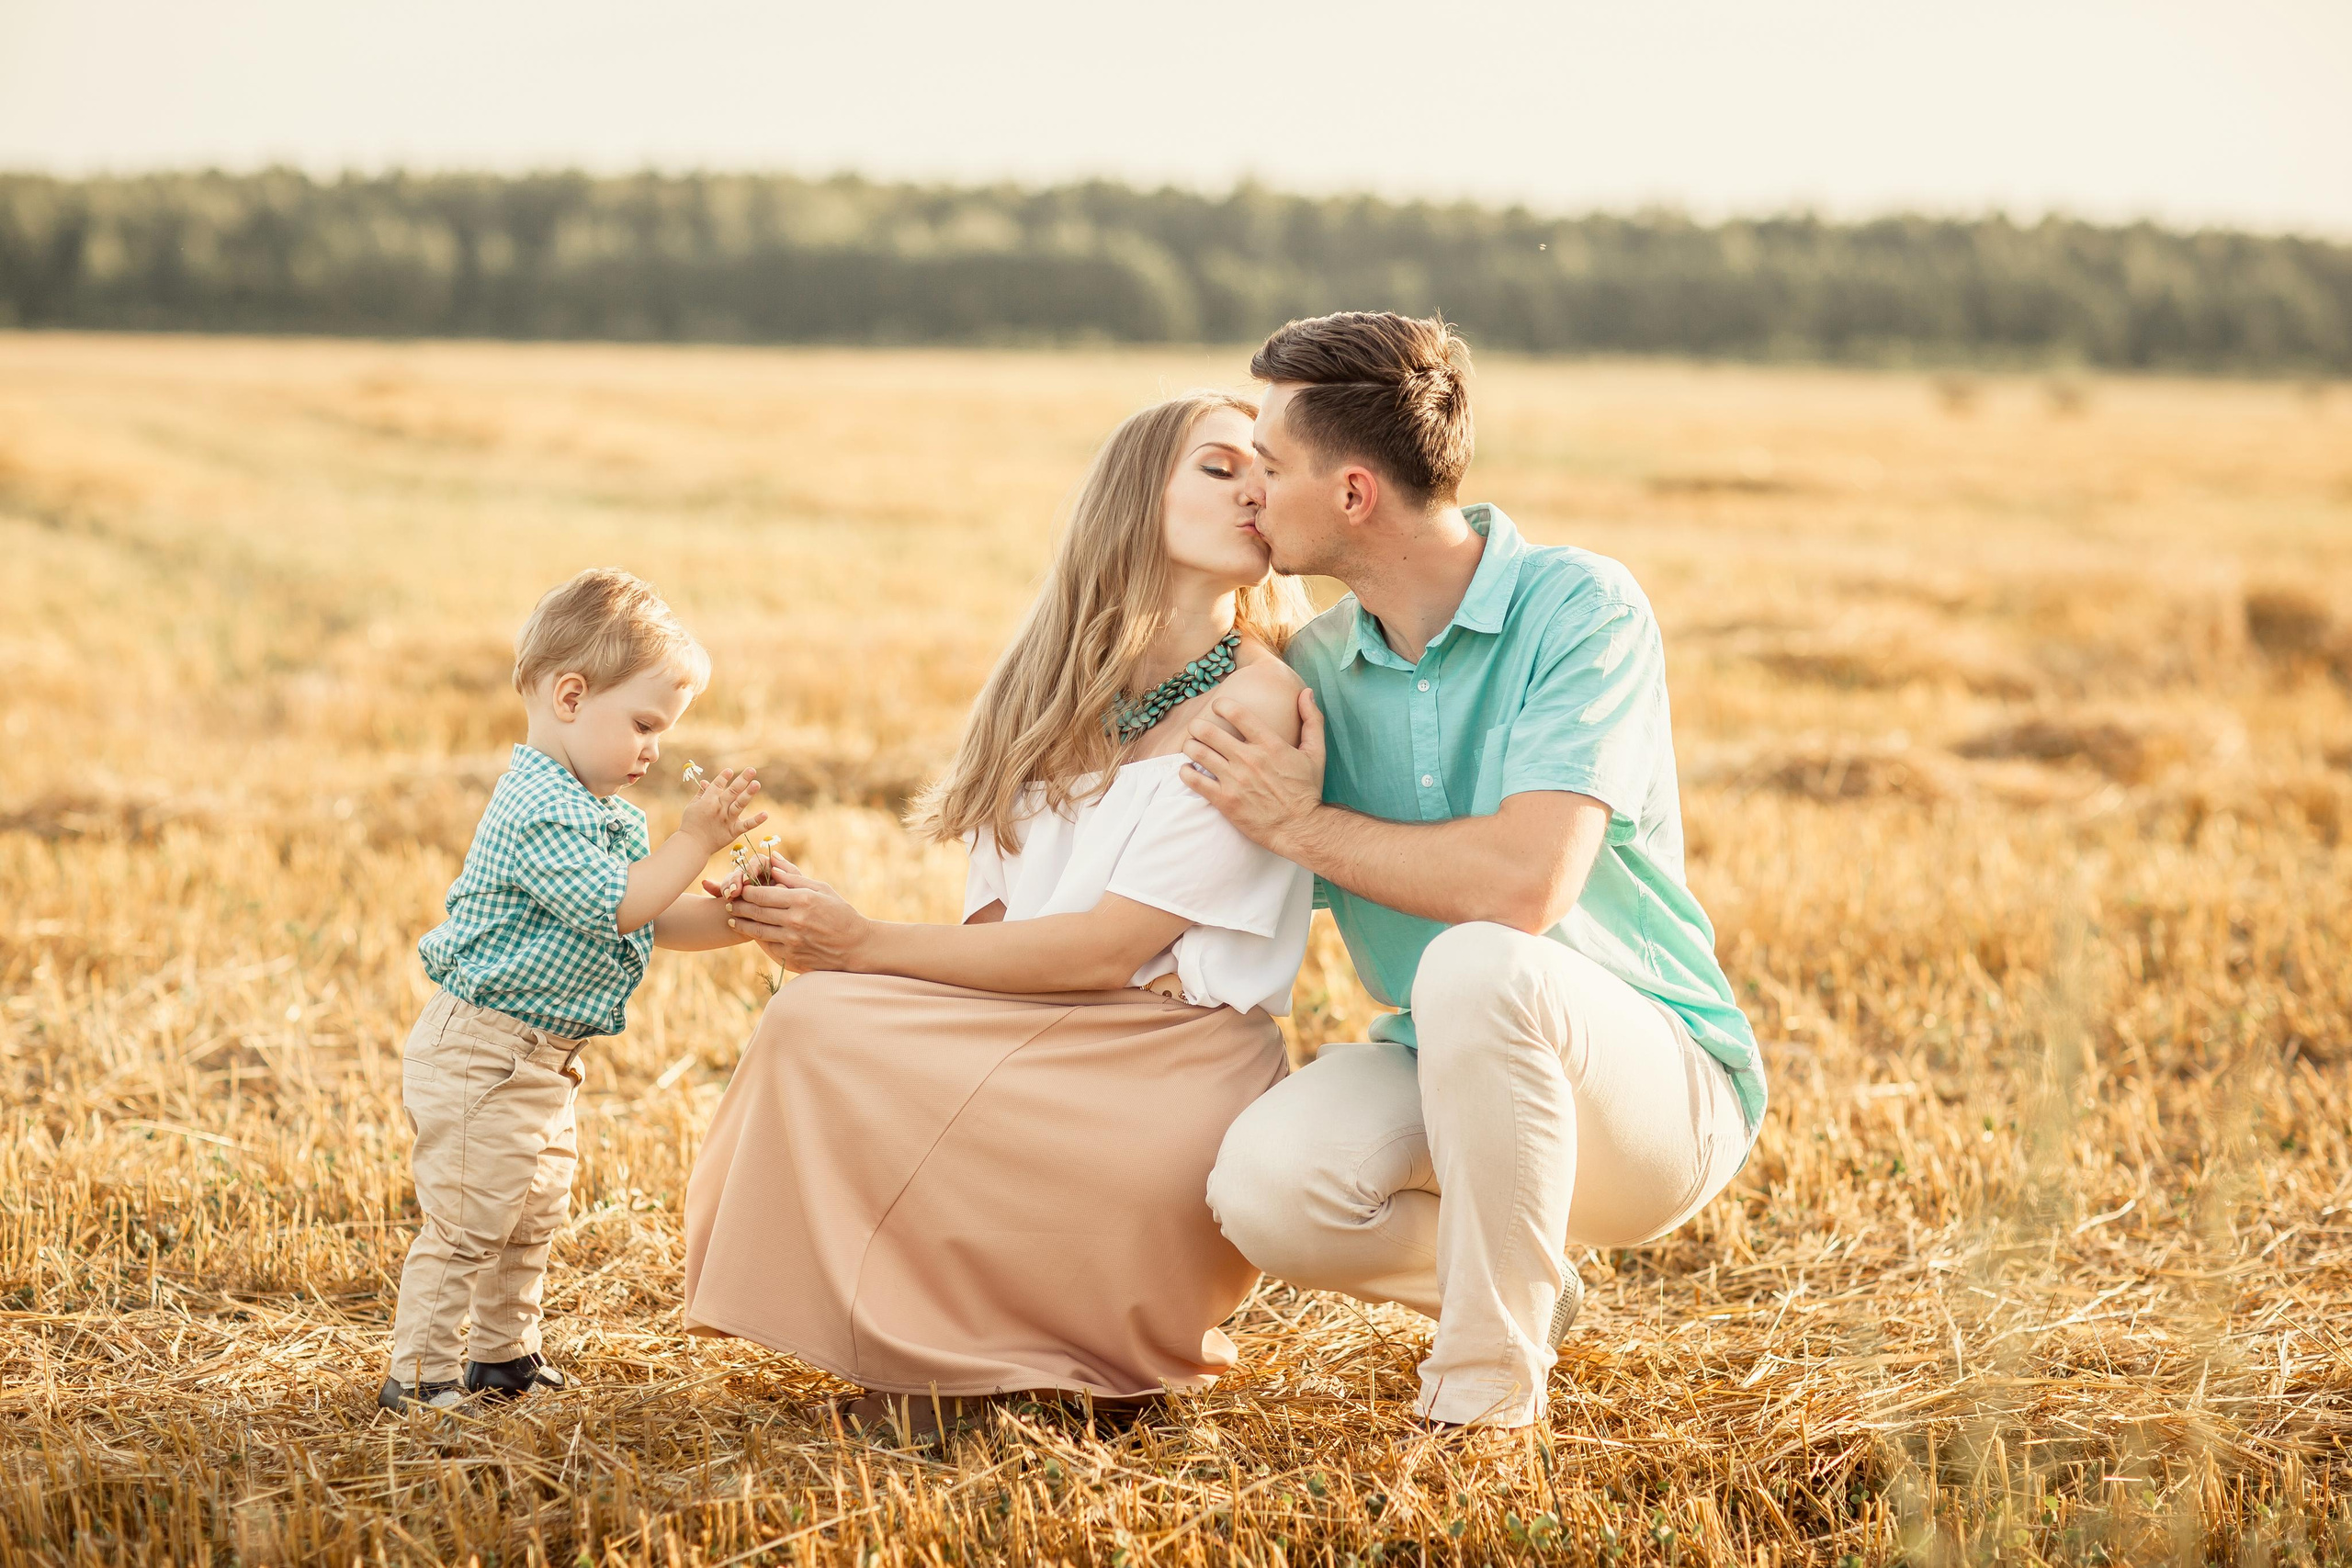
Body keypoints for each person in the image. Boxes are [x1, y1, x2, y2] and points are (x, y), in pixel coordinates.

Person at [685, 392, 1317, 1433]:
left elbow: (1111, 950)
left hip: (1166, 1066)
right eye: (1217, 468)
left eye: (1267, 470)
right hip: (1049, 1037)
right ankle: (940, 1355)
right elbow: (996, 946)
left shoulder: (1255, 703)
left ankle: (1036, 1352)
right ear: (1130, 498)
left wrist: (862, 947)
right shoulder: (1046, 693)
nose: (1255, 488)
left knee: (826, 1016)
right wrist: (826, 931)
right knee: (818, 1027)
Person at [1183, 313, 1767, 1431]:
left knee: (1478, 963)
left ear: (1353, 494)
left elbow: (1524, 886)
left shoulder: (1580, 605)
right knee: (1263, 1185)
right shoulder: (1309, 670)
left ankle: (1482, 1401)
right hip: (1447, 1072)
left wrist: (1305, 830)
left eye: (1267, 462)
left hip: (1652, 1091)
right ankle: (1531, 1284)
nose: (1250, 489)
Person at [384, 569, 768, 1412]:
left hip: (541, 1059)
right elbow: (620, 903)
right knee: (468, 1222)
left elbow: (649, 918)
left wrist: (739, 916)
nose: (654, 750)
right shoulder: (538, 808)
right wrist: (695, 838)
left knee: (530, 1212)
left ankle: (503, 1356)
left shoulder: (598, 812)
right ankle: (418, 1377)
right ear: (569, 695)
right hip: (484, 1049)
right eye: (643, 724)